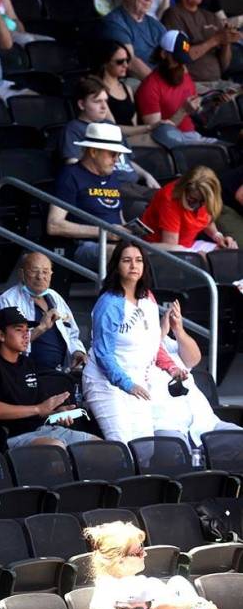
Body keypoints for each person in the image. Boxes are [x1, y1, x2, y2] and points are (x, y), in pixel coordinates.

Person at [83, 241, 189, 443]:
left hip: (138, 382)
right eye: (127, 260)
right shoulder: (109, 303)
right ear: (116, 266)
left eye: (139, 260)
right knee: (122, 443)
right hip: (106, 383)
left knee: (145, 448)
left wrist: (172, 368)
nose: (134, 266)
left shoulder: (148, 297)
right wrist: (127, 385)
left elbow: (151, 343)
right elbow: (103, 353)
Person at [0, 307, 97, 448]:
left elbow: (38, 410)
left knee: (101, 448)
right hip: (12, 437)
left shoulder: (27, 363)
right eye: (19, 330)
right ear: (1, 335)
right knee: (55, 449)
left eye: (27, 330)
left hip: (45, 429)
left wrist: (56, 414)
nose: (26, 335)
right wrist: (38, 409)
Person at [83, 521, 219, 609]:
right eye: (138, 552)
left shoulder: (136, 582)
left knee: (178, 583)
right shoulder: (109, 588)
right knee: (162, 602)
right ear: (120, 560)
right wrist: (199, 604)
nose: (145, 554)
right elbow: (156, 606)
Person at [148, 299, 242, 445]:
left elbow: (193, 359)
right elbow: (139, 359)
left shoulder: (164, 340)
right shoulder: (127, 346)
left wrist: (178, 329)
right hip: (167, 427)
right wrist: (158, 334)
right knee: (176, 453)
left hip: (206, 424)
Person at [59, 77, 159, 210]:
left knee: (167, 199)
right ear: (82, 104)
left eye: (105, 101)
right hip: (110, 188)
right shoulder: (73, 129)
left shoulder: (111, 126)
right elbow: (73, 165)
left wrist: (146, 175)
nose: (104, 107)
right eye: (97, 101)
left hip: (134, 186)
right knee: (155, 207)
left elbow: (126, 161)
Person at [48, 122, 129, 270]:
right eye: (112, 154)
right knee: (126, 256)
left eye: (119, 155)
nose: (117, 159)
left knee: (159, 252)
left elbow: (119, 218)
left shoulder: (113, 178)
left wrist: (129, 230)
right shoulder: (70, 175)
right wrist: (104, 232)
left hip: (115, 244)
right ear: (93, 152)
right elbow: (54, 225)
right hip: (83, 245)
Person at [0, 252, 87, 372]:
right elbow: (4, 345)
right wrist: (41, 328)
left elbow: (72, 333)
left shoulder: (55, 297)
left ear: (51, 275)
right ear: (22, 274)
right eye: (34, 271)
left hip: (61, 371)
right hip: (24, 372)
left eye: (45, 272)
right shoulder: (7, 300)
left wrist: (77, 352)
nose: (40, 276)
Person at [135, 30, 224, 149]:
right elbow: (157, 135)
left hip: (194, 136)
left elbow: (196, 113)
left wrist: (214, 103)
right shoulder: (149, 87)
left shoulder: (183, 75)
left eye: (183, 59)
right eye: (177, 59)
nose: (181, 64)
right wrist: (183, 111)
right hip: (176, 145)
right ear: (164, 54)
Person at [141, 165, 239, 253]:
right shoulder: (169, 200)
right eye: (192, 200)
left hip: (190, 245)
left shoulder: (204, 198)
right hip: (160, 250)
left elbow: (206, 220)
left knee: (230, 254)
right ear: (183, 190)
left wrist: (218, 237)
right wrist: (198, 258)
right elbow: (172, 250)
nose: (198, 206)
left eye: (203, 202)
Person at [162, 0, 240, 91]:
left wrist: (226, 41)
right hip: (193, 84)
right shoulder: (173, 15)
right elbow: (180, 55)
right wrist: (215, 40)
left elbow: (224, 65)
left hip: (218, 82)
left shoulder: (211, 17)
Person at [92, 41, 163, 147]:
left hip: (133, 140)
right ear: (106, 63)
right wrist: (149, 127)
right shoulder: (99, 90)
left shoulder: (127, 88)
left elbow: (133, 122)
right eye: (120, 61)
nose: (126, 65)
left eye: (127, 60)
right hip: (114, 142)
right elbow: (112, 128)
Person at [103, 0, 168, 79]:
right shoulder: (114, 22)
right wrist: (160, 86)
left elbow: (175, 53)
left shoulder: (155, 25)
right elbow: (131, 61)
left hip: (161, 82)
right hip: (133, 81)